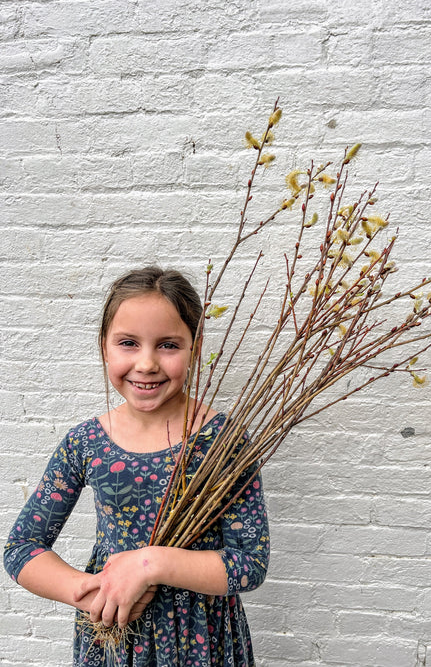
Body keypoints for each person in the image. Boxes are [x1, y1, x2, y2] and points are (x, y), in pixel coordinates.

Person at [4, 266, 270, 666]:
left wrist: (149, 564)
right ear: (104, 348)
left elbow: (250, 563)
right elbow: (21, 548)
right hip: (115, 638)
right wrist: (92, 589)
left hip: (200, 640)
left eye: (168, 345)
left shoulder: (222, 442)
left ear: (195, 350)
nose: (146, 363)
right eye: (128, 343)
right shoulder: (87, 443)